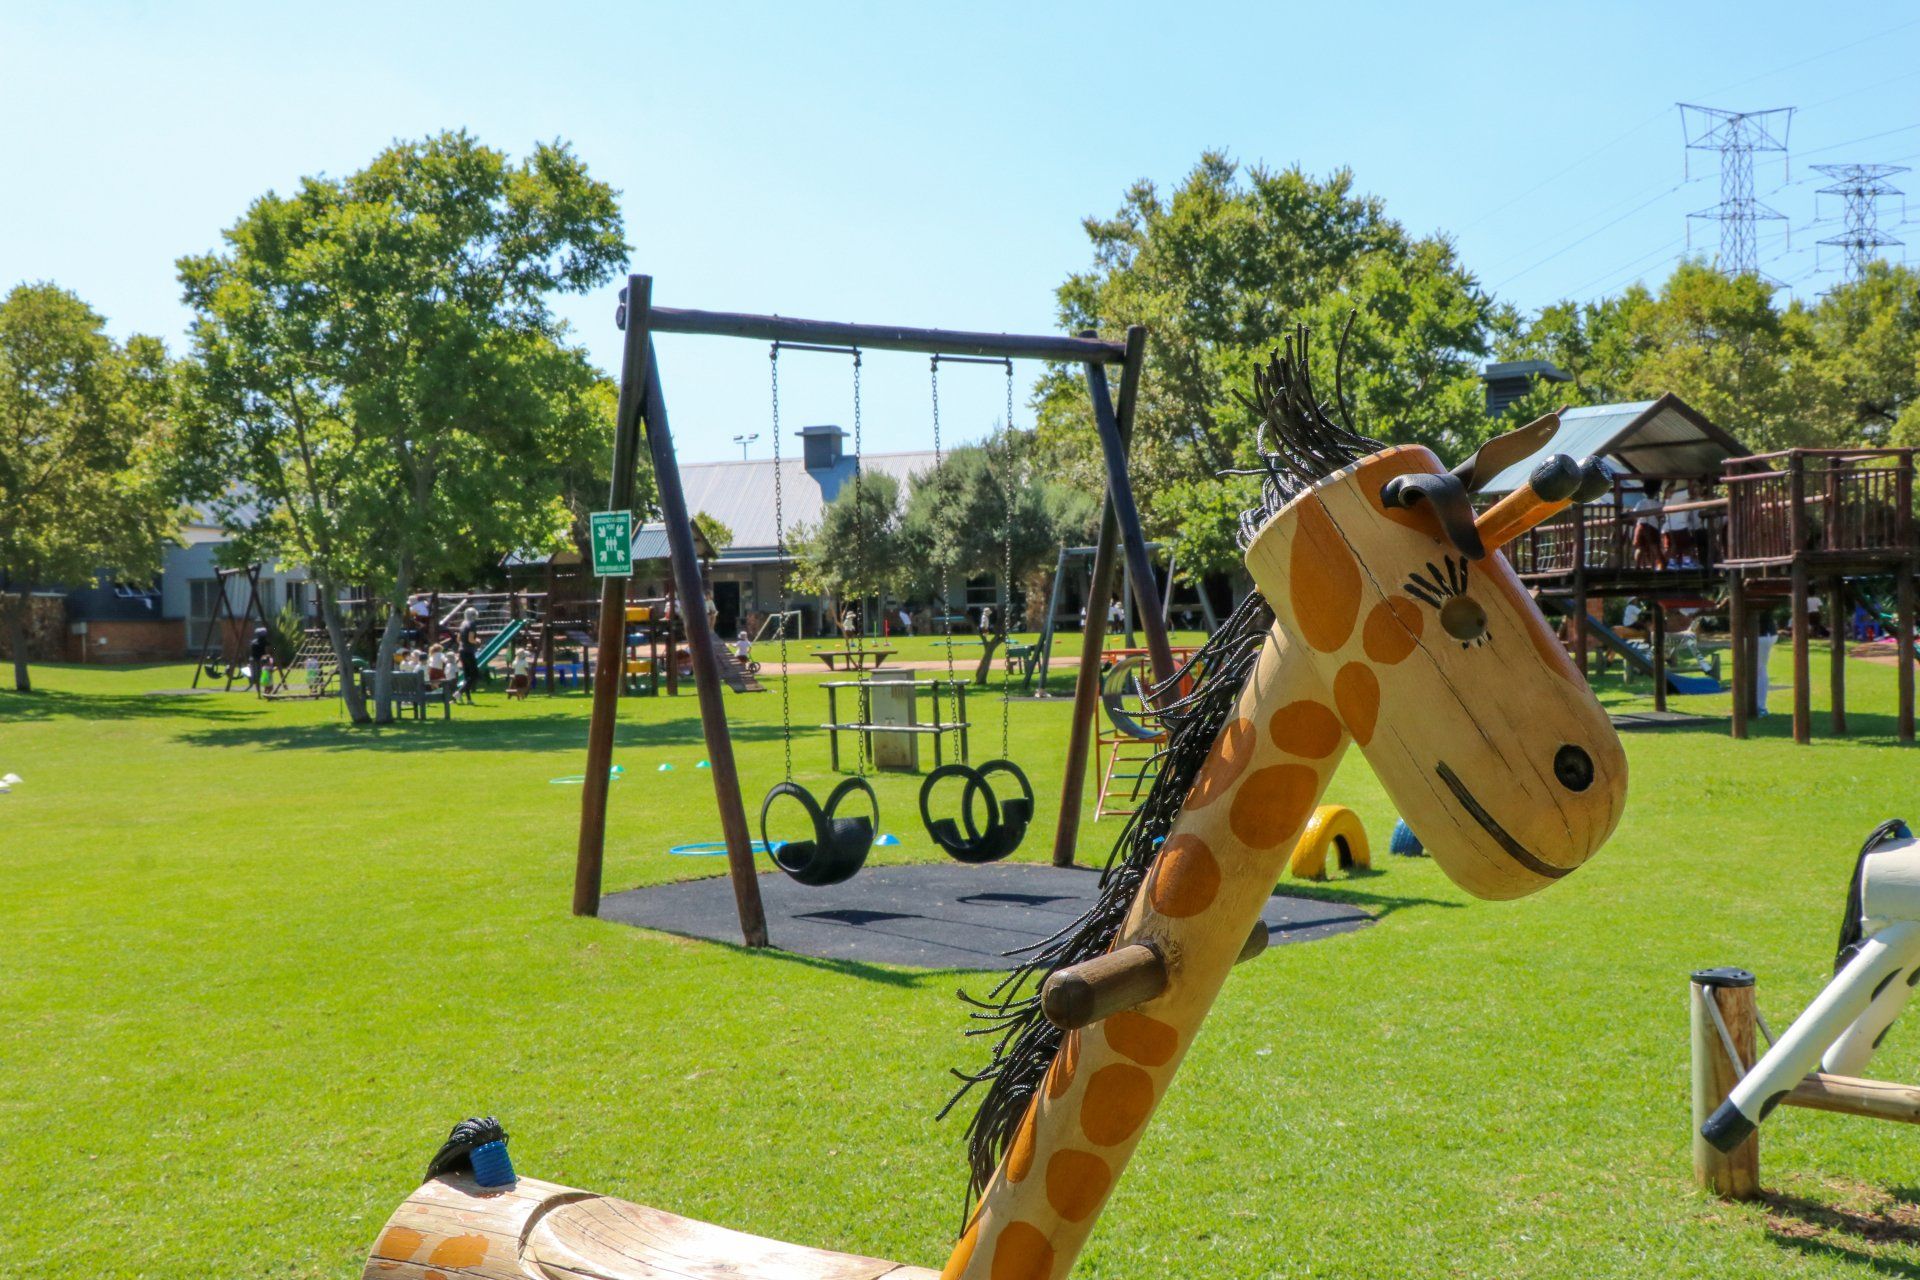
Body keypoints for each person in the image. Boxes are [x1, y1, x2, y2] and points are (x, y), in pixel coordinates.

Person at [1754, 611, 1777, 716]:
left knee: (1759, 669)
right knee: (1759, 669)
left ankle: (1760, 707)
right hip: (1765, 634)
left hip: (1762, 635)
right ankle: (1758, 705)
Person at [457, 607, 482, 703]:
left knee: (467, 676)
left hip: (461, 650)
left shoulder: (462, 624)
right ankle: (459, 692)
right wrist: (477, 641)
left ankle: (468, 699)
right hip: (468, 651)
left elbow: (458, 639)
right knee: (474, 675)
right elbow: (470, 639)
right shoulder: (472, 624)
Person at [246, 626, 272, 693]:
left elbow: (251, 652)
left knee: (258, 676)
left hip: (254, 660)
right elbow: (268, 651)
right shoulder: (265, 643)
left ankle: (259, 692)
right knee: (263, 676)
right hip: (260, 660)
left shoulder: (254, 642)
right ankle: (264, 691)